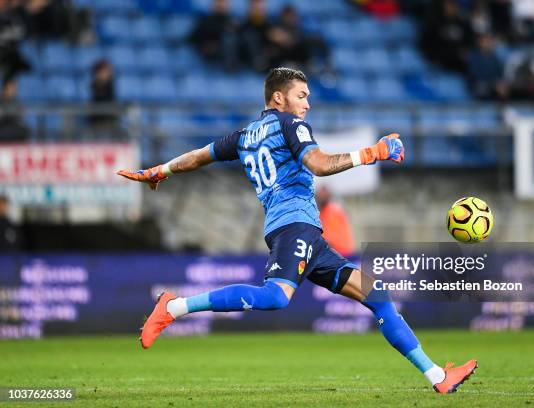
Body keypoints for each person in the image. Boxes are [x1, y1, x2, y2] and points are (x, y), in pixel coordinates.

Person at [117, 67, 477, 394]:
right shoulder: (290, 125)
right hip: (294, 226)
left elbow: (197, 155)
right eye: (302, 95)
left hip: (304, 233)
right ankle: (174, 307)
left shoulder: (243, 136)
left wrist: (160, 170)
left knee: (376, 293)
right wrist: (373, 152)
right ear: (279, 97)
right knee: (275, 297)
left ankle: (436, 376)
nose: (307, 104)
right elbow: (318, 165)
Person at [315, 185, 355, 257]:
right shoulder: (321, 212)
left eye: (322, 196)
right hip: (334, 252)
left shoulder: (334, 211)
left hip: (342, 252)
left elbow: (330, 239)